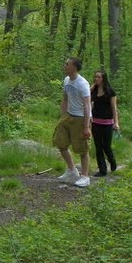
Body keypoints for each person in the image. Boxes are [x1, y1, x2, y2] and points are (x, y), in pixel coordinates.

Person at [54, 57, 92, 188]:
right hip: (68, 116)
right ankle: (72, 170)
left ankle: (85, 176)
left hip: (81, 118)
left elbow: (87, 106)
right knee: (60, 143)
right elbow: (65, 98)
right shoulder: (66, 80)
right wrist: (63, 115)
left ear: (74, 68)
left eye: (67, 64)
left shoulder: (82, 84)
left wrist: (86, 127)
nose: (64, 66)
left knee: (82, 148)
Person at [90, 70, 119, 176]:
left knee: (106, 146)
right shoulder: (93, 90)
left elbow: (114, 108)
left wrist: (116, 123)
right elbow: (85, 97)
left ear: (103, 79)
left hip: (107, 124)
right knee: (98, 147)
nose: (96, 79)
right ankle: (102, 170)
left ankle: (112, 161)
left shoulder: (110, 91)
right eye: (95, 77)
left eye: (98, 77)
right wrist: (92, 87)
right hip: (96, 123)